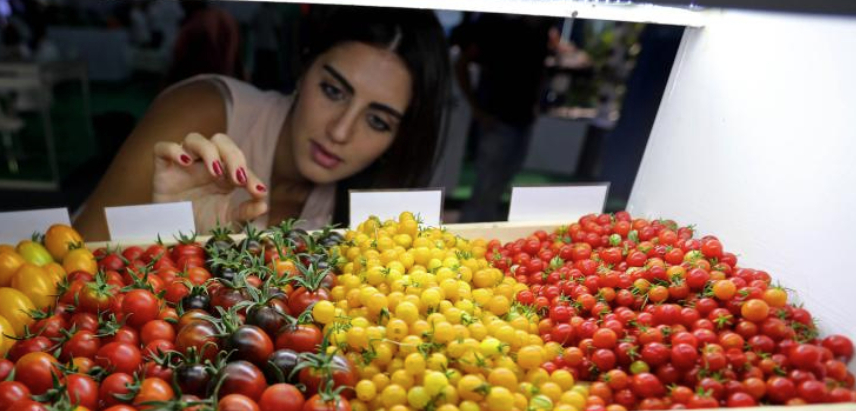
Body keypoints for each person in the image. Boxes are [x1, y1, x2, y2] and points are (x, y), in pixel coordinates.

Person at [73, 6, 448, 241]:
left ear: (399, 139)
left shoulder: (371, 207)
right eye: (333, 91)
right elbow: (70, 273)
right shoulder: (202, 111)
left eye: (378, 121)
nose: (340, 132)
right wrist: (162, 231)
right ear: (304, 68)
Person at [455, 14, 553, 222]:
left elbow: (539, 70)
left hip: (522, 119)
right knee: (486, 185)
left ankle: (484, 232)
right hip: (496, 118)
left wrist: (535, 103)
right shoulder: (495, 23)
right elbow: (461, 63)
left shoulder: (542, 27)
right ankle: (468, 235)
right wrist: (476, 109)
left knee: (501, 181)